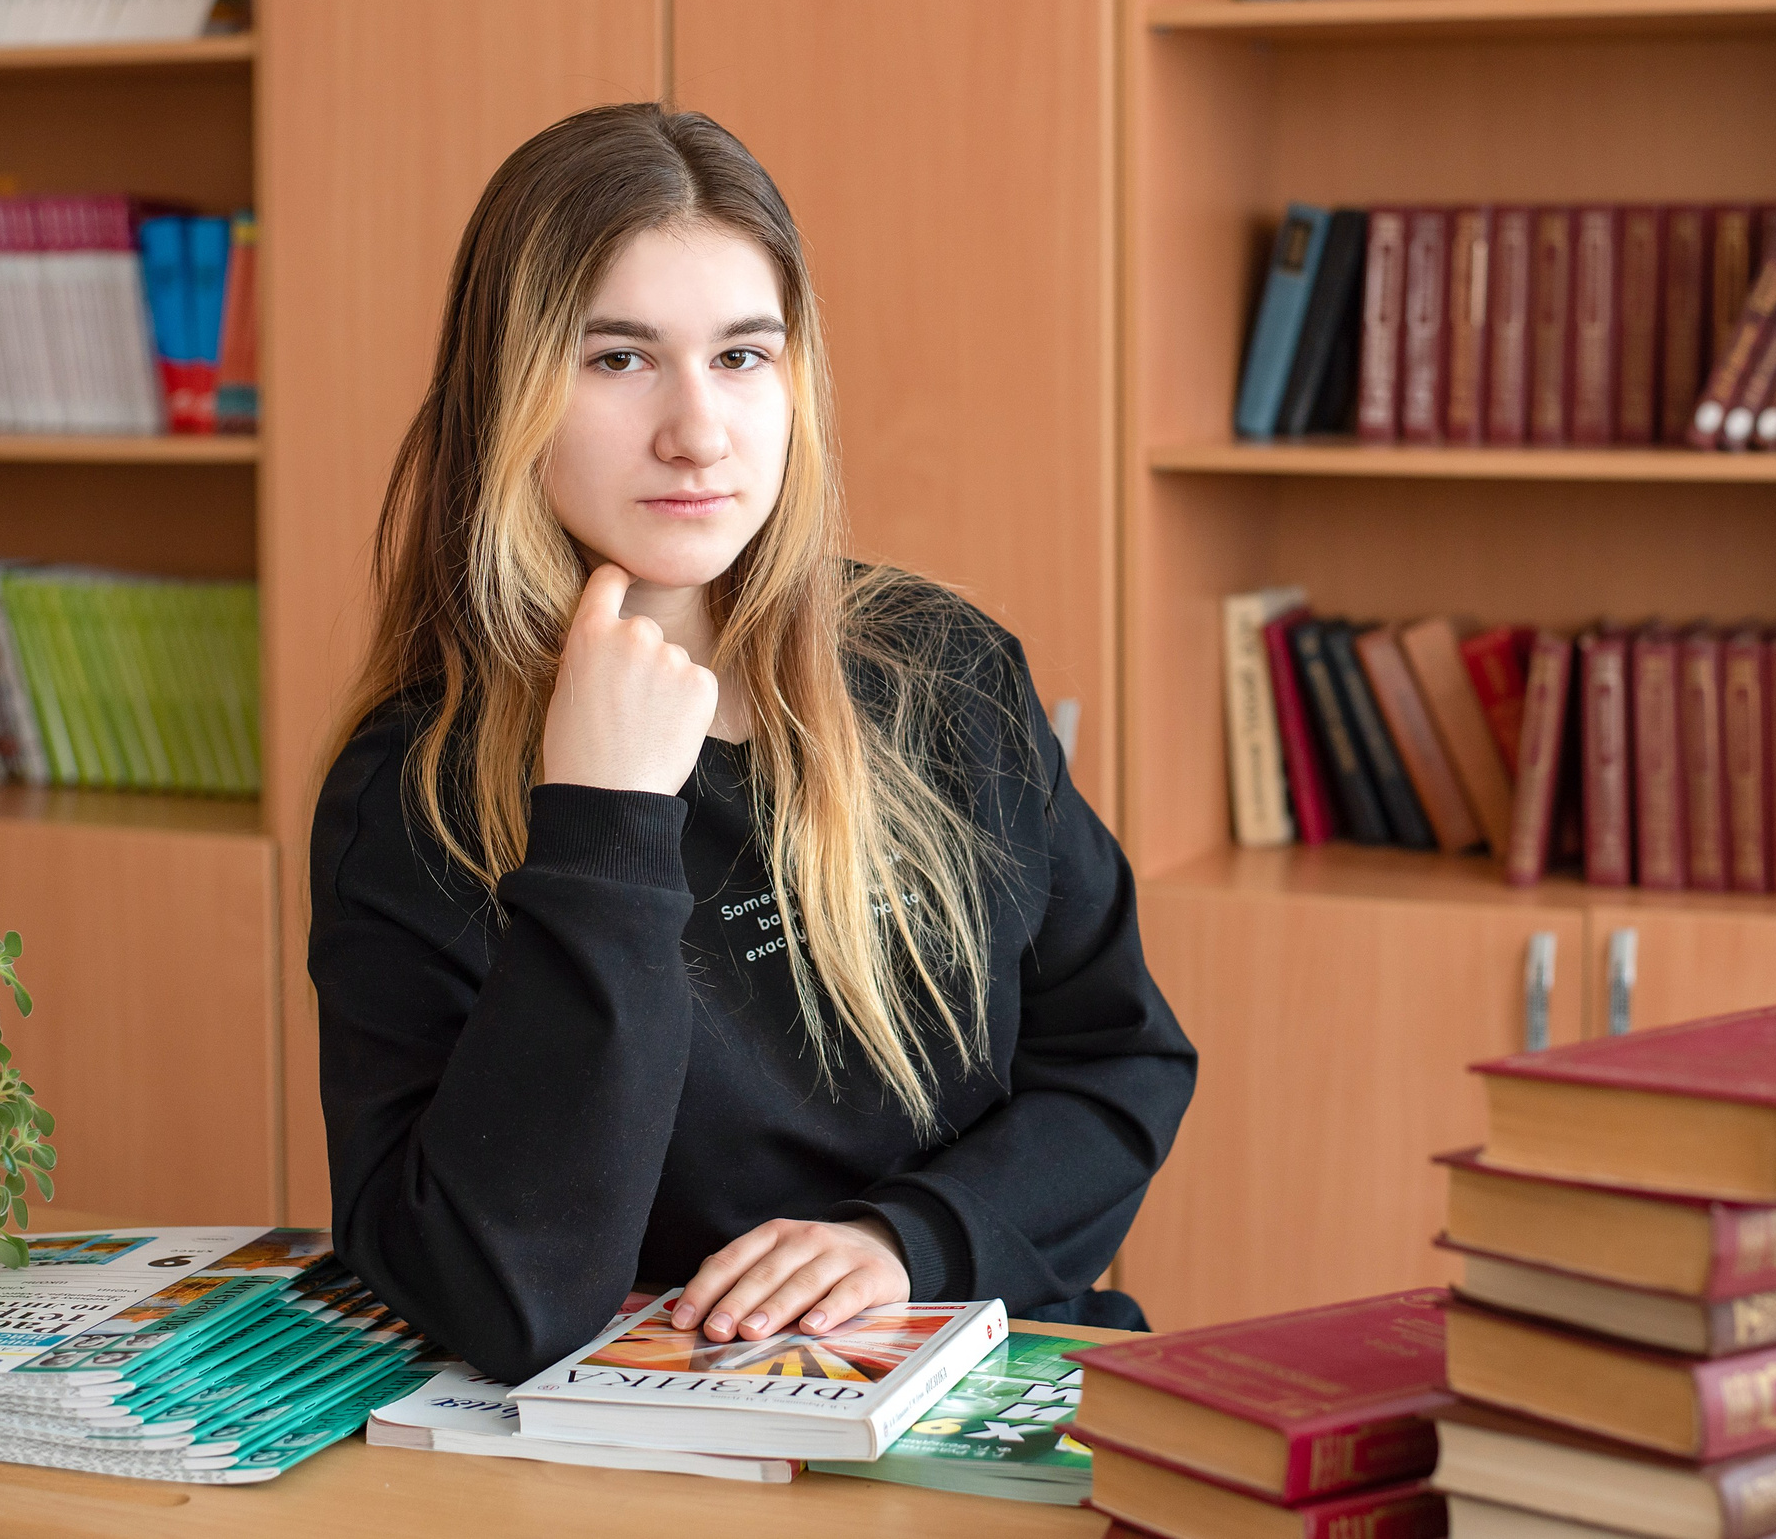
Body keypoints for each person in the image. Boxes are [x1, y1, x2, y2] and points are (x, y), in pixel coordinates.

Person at [308, 103, 1196, 1386]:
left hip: (985, 1371)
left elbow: (1116, 1057)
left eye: (741, 355)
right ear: (510, 390)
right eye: (617, 359)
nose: (698, 431)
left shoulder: (941, 672)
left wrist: (912, 1241)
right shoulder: (414, 792)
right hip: (650, 1455)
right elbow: (503, 1294)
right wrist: (602, 820)